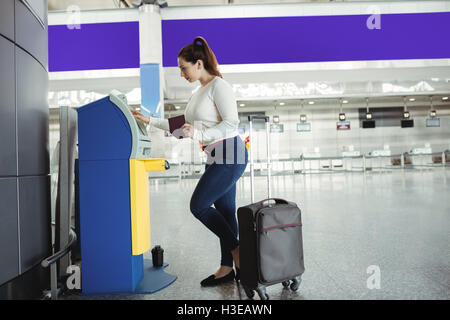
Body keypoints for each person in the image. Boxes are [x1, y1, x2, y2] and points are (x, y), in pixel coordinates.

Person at [131, 36, 248, 287]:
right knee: (226, 213)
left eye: (184, 68)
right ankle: (227, 268)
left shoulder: (219, 86)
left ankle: (237, 251)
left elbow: (231, 123)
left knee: (199, 205)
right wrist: (148, 120)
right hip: (216, 154)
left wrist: (200, 134)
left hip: (231, 152)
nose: (181, 73)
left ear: (198, 63)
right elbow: (179, 123)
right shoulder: (198, 94)